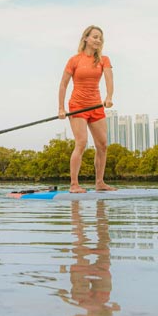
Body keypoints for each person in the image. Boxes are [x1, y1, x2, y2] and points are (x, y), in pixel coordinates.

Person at [58, 25, 116, 193]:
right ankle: (74, 184)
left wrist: (109, 97)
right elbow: (63, 84)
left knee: (103, 145)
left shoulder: (104, 59)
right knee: (81, 143)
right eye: (95, 37)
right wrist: (61, 108)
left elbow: (109, 80)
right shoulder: (74, 60)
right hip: (78, 106)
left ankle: (100, 183)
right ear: (86, 38)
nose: (98, 40)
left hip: (96, 105)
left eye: (100, 38)